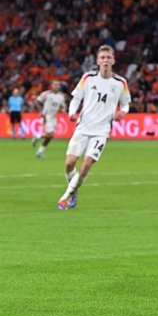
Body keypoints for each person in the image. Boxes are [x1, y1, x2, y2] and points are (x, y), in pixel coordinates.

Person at [57, 45, 131, 210]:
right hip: (83, 127)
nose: (105, 60)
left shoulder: (120, 83)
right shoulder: (88, 78)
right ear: (98, 61)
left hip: (101, 131)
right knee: (69, 163)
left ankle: (65, 197)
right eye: (102, 57)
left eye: (108, 57)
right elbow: (76, 99)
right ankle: (74, 188)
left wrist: (123, 112)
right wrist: (71, 113)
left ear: (113, 60)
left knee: (87, 163)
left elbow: (126, 104)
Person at [33, 80, 67, 158]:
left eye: (58, 85)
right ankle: (37, 136)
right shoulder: (46, 94)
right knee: (50, 134)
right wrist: (41, 111)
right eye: (54, 85)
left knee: (50, 137)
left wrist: (64, 110)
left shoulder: (61, 96)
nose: (56, 86)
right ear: (51, 85)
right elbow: (37, 101)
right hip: (46, 116)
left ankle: (40, 151)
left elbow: (62, 106)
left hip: (54, 117)